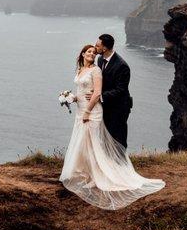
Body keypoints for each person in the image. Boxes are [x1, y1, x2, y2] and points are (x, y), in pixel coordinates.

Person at [59, 44, 165, 210]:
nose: (92, 54)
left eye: (94, 52)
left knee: (92, 144)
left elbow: (96, 93)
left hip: (91, 111)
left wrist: (87, 111)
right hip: (81, 110)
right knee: (83, 142)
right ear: (82, 53)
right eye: (89, 52)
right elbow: (81, 91)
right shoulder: (80, 69)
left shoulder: (95, 70)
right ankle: (86, 174)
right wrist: (70, 98)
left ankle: (97, 177)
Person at [89, 34, 132, 148]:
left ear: (105, 48)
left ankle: (120, 162)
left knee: (118, 136)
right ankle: (108, 161)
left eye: (97, 45)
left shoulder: (122, 66)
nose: (95, 47)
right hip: (106, 105)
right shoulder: (100, 59)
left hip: (119, 107)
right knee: (105, 135)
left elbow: (121, 90)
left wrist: (100, 96)